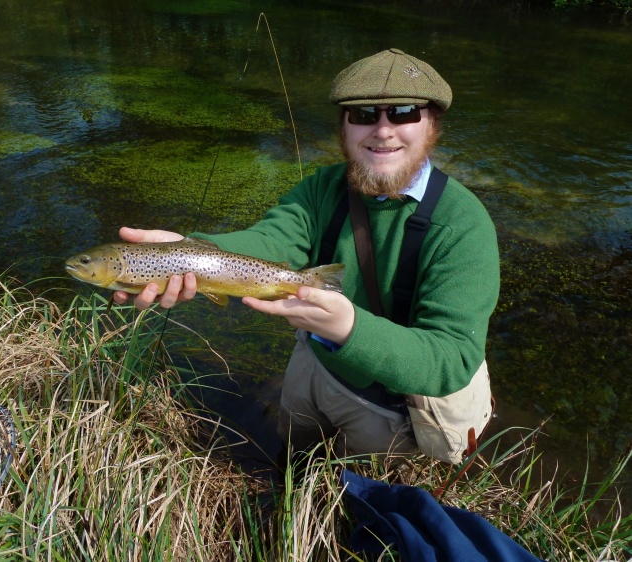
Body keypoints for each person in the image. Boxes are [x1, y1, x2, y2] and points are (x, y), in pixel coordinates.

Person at [113, 48, 500, 460]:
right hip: (313, 362)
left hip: (388, 405)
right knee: (291, 459)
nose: (383, 130)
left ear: (432, 126)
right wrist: (186, 253)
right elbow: (272, 239)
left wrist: (351, 328)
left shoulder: (464, 225)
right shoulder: (324, 188)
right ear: (344, 127)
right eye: (364, 115)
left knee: (355, 501)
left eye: (403, 113)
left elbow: (452, 359)